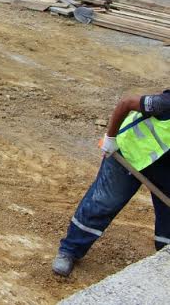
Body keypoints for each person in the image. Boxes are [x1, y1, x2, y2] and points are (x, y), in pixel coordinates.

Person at [52, 88, 170, 277]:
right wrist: (110, 139)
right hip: (129, 153)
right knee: (104, 202)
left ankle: (165, 259)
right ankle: (69, 250)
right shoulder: (164, 103)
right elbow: (127, 102)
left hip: (164, 167)